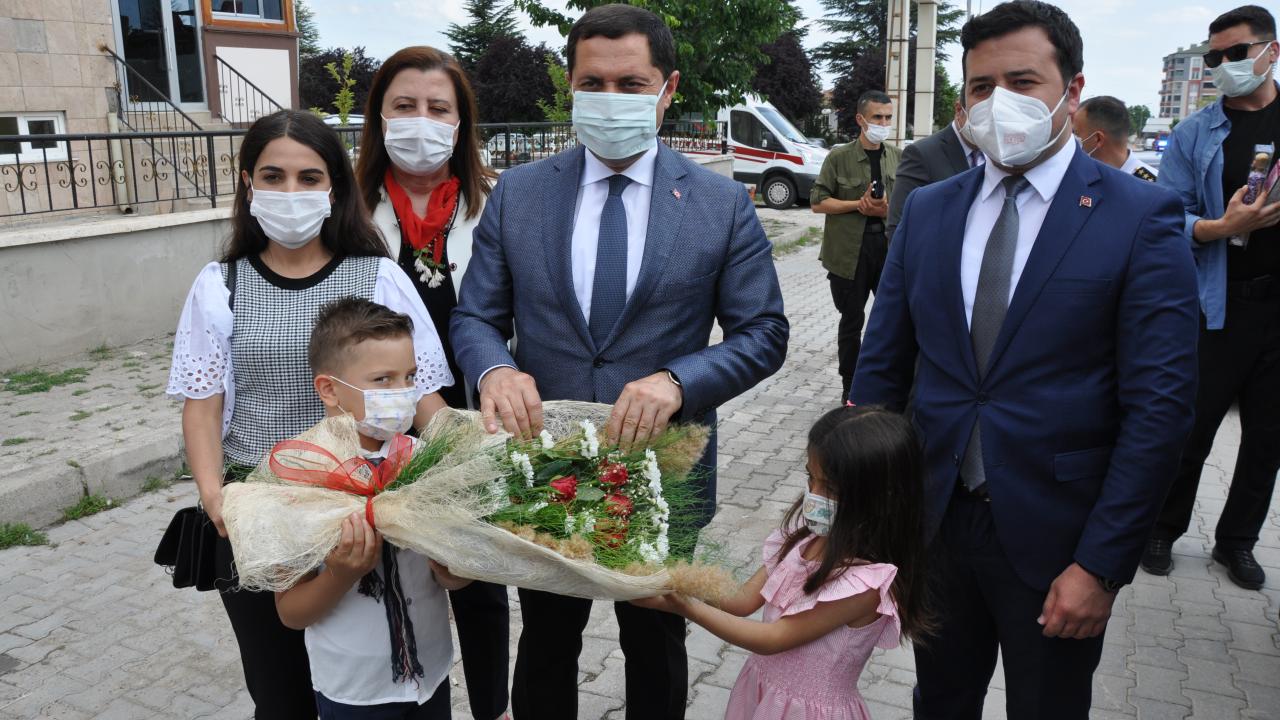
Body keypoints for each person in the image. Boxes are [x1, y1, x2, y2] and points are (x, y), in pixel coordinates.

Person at [850, 2, 1199, 717]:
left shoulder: (1141, 218)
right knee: (939, 699)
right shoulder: (931, 211)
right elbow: (881, 368)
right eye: (981, 86)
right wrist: (858, 519)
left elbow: (1160, 409)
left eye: (1023, 80)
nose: (998, 101)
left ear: (1071, 91)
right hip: (935, 523)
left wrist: (1102, 565)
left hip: (1060, 536)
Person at [450, 5, 789, 718]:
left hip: (664, 466)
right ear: (570, 87)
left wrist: (680, 380)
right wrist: (495, 371)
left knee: (657, 645)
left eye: (631, 83)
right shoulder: (520, 194)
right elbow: (476, 314)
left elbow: (764, 332)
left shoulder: (721, 205)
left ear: (666, 92)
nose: (611, 99)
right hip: (543, 466)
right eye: (592, 82)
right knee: (545, 642)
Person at [166, 109, 452, 719]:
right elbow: (203, 403)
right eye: (273, 176)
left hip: (363, 514)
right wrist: (216, 497)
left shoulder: (378, 278)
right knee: (279, 686)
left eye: (308, 177)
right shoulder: (221, 285)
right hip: (262, 513)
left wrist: (464, 467)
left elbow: (423, 395)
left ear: (334, 188)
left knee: (364, 673)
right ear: (248, 183)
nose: (290, 192)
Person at [353, 46, 511, 719]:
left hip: (476, 419)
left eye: (438, 108)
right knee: (391, 572)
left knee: (477, 578)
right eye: (405, 106)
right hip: (382, 425)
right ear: (379, 118)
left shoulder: (497, 206)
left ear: (461, 121)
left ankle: (492, 707)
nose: (422, 121)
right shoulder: (348, 213)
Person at [633, 405, 931, 720]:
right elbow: (743, 600)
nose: (812, 495)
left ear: (880, 497)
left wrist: (685, 607)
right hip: (764, 694)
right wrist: (669, 587)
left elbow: (773, 639)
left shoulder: (865, 584)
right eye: (810, 478)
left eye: (829, 488)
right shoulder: (803, 540)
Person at [276, 297, 467, 720]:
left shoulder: (426, 461)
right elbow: (290, 612)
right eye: (383, 379)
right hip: (354, 691)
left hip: (431, 675)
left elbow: (453, 577)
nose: (402, 393)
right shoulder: (300, 476)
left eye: (410, 377)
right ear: (329, 389)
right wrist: (343, 573)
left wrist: (456, 573)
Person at [1146, 4, 1280, 591]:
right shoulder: (1194, 132)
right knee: (1191, 426)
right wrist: (1217, 229)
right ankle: (1161, 528)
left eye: (1234, 53)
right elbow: (1163, 217)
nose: (1223, 65)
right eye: (1213, 57)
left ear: (1270, 51)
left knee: (1268, 438)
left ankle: (1238, 543)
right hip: (1219, 301)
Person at [811, 91, 900, 403]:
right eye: (878, 117)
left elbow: (908, 205)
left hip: (887, 249)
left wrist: (886, 210)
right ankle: (850, 387)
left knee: (891, 320)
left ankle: (887, 385)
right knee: (851, 322)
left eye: (888, 117)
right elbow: (818, 202)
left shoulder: (897, 156)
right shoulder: (839, 157)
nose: (884, 123)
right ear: (861, 120)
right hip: (849, 251)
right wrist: (857, 205)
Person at [887, 96, 984, 241]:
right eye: (981, 117)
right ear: (959, 110)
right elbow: (899, 226)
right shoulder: (922, 153)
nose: (988, 127)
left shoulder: (1000, 156)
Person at [1075, 96, 1157, 181]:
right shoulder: (1081, 176)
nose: (1073, 140)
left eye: (1076, 134)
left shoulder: (1151, 185)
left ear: (1098, 139)